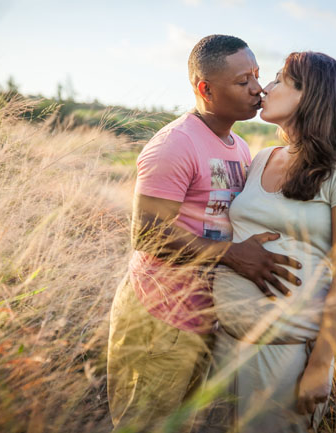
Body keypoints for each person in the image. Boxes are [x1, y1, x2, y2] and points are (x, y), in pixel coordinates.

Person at [106, 35, 303, 433]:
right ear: (205, 89)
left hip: (203, 320)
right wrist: (232, 255)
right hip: (158, 317)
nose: (257, 89)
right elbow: (147, 235)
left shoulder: (241, 148)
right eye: (242, 81)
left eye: (257, 76)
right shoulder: (174, 145)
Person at [206, 51, 336, 433]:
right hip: (225, 345)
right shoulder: (262, 158)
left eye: (281, 79)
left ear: (309, 95)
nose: (265, 87)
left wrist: (318, 365)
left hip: (283, 357)